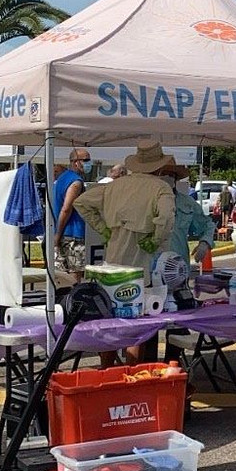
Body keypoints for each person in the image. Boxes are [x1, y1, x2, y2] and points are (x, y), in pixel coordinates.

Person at [74, 140, 177, 365]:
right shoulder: (161, 188)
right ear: (159, 166)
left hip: (112, 263)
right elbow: (167, 217)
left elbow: (81, 203)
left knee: (110, 323)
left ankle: (107, 369)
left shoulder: (114, 185)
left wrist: (103, 229)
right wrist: (156, 238)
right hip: (143, 265)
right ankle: (131, 374)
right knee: (136, 327)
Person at [53, 148, 92, 280]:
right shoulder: (75, 182)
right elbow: (66, 208)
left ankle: (63, 299)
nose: (89, 163)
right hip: (73, 234)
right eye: (86, 160)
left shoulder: (61, 178)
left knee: (62, 275)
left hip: (63, 233)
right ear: (76, 162)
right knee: (75, 274)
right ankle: (72, 300)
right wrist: (58, 235)